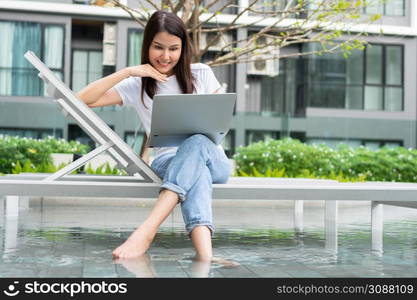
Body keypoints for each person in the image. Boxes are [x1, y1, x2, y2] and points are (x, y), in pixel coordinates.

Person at [77, 10, 231, 261]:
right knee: (195, 173)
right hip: (166, 161)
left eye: (174, 48)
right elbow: (82, 99)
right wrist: (127, 72)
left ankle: (146, 230)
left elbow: (216, 122)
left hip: (213, 159)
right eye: (158, 47)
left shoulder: (201, 73)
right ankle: (206, 257)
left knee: (198, 141)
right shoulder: (137, 84)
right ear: (147, 45)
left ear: (183, 48)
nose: (166, 56)